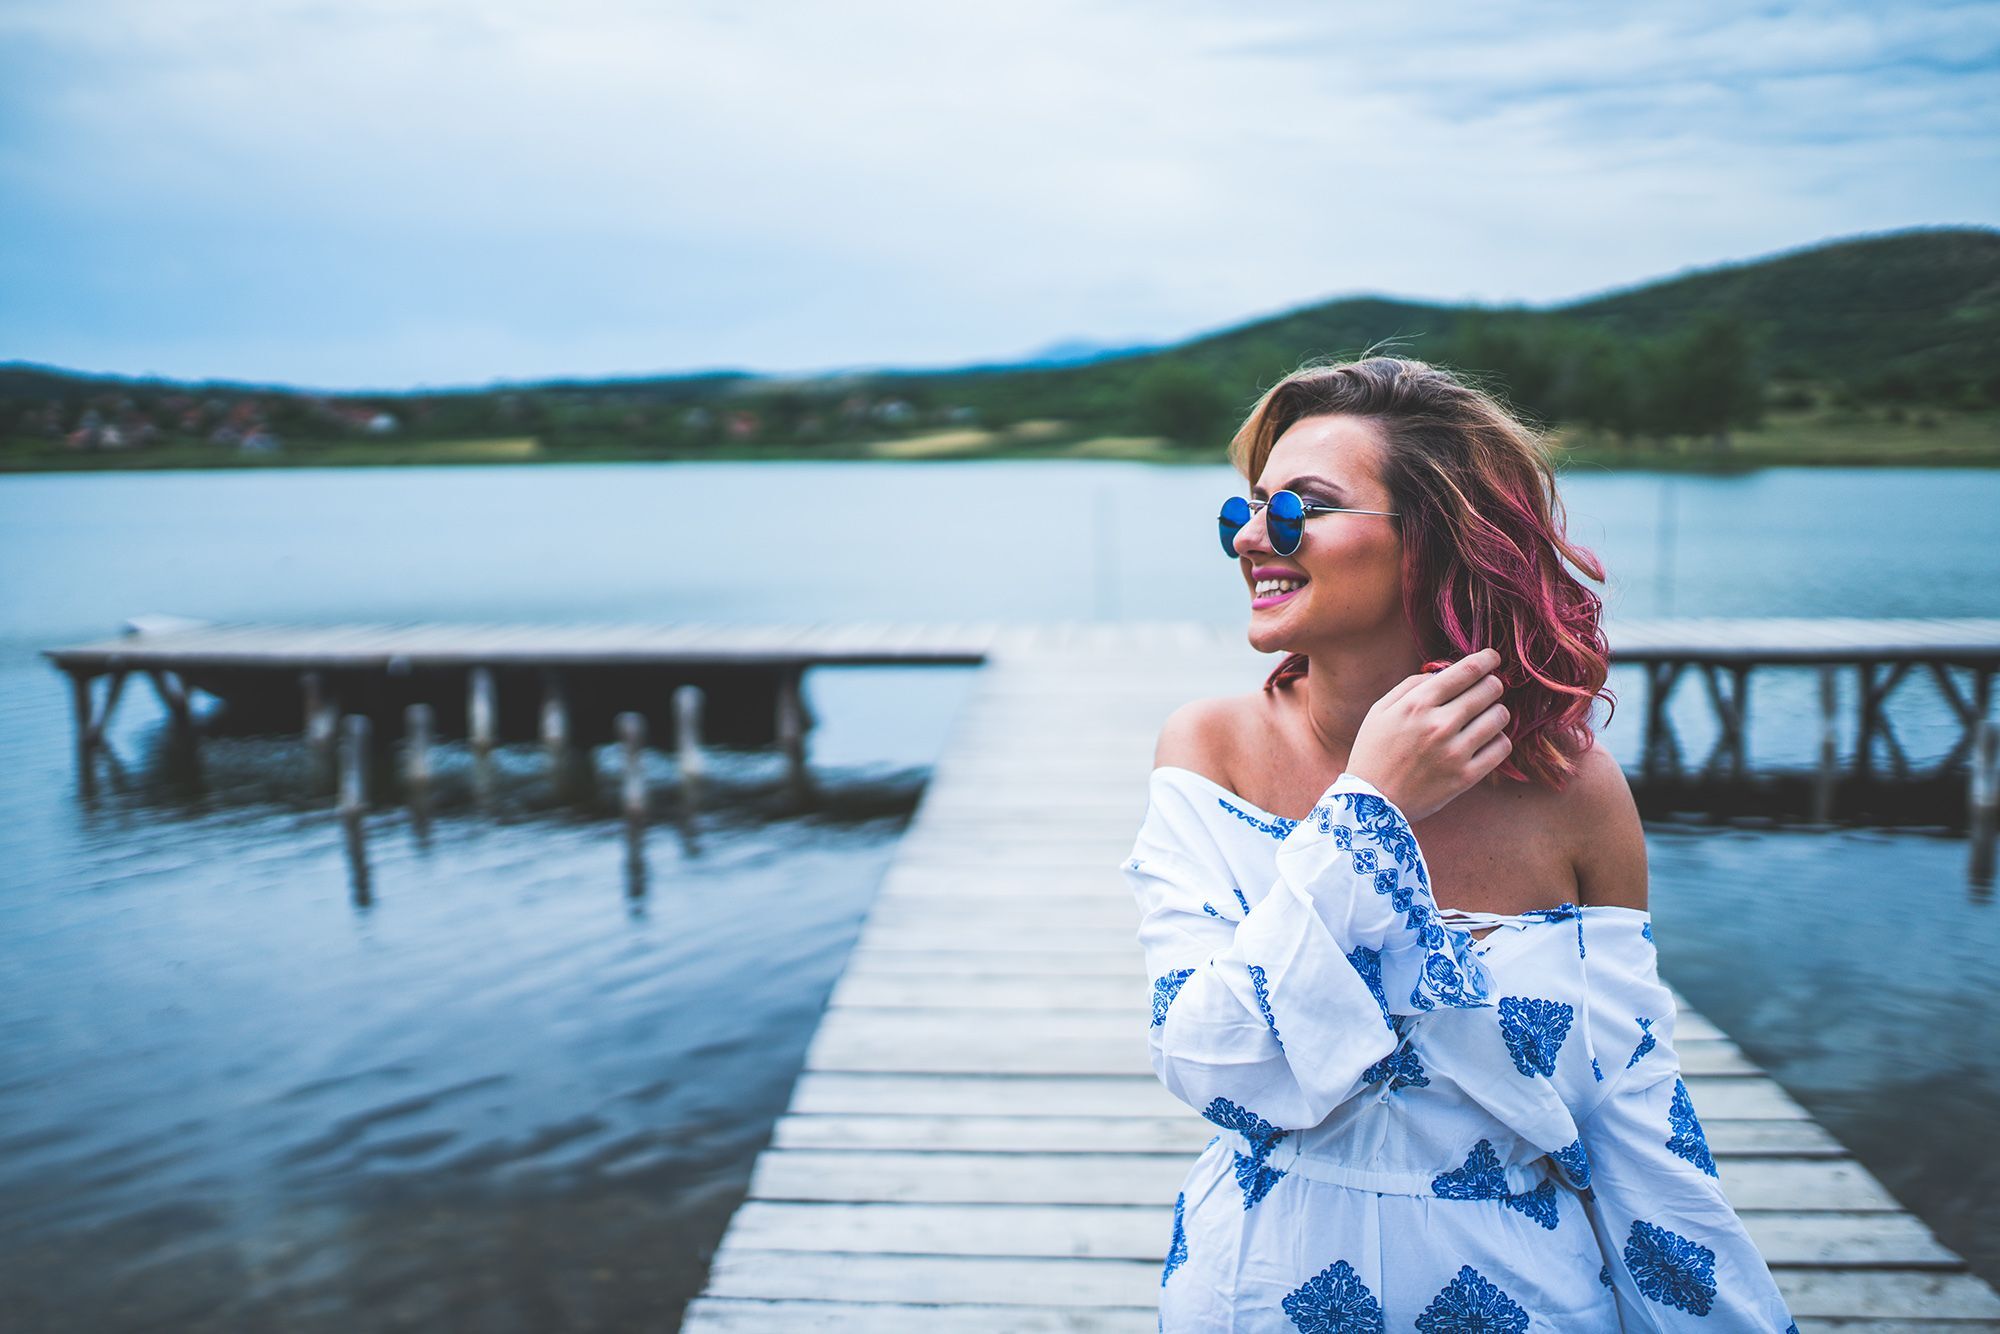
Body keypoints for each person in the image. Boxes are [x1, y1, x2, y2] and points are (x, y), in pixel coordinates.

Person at [1121, 356, 1798, 1330]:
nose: (1252, 540)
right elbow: (1216, 1062)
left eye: (1297, 509)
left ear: (1437, 542)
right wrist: (1370, 808)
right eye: (1244, 512)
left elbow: (1632, 1110)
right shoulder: (1210, 751)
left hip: (1525, 1300)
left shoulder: (1571, 791)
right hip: (1261, 1291)